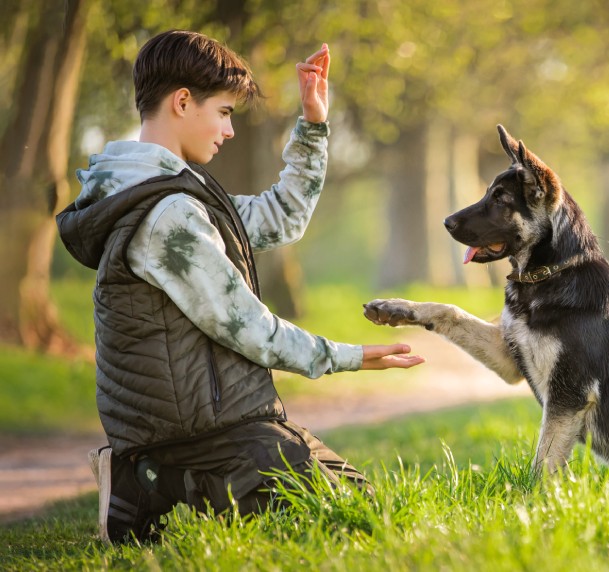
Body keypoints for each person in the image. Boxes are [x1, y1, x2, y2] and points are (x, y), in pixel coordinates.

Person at [56, 30, 424, 544]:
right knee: (353, 519)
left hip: (217, 421)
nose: (229, 131)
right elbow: (248, 327)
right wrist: (350, 356)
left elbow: (280, 219)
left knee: (358, 506)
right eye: (225, 112)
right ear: (182, 101)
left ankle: (147, 484)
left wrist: (314, 125)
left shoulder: (179, 193)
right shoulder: (167, 216)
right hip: (199, 435)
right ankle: (146, 482)